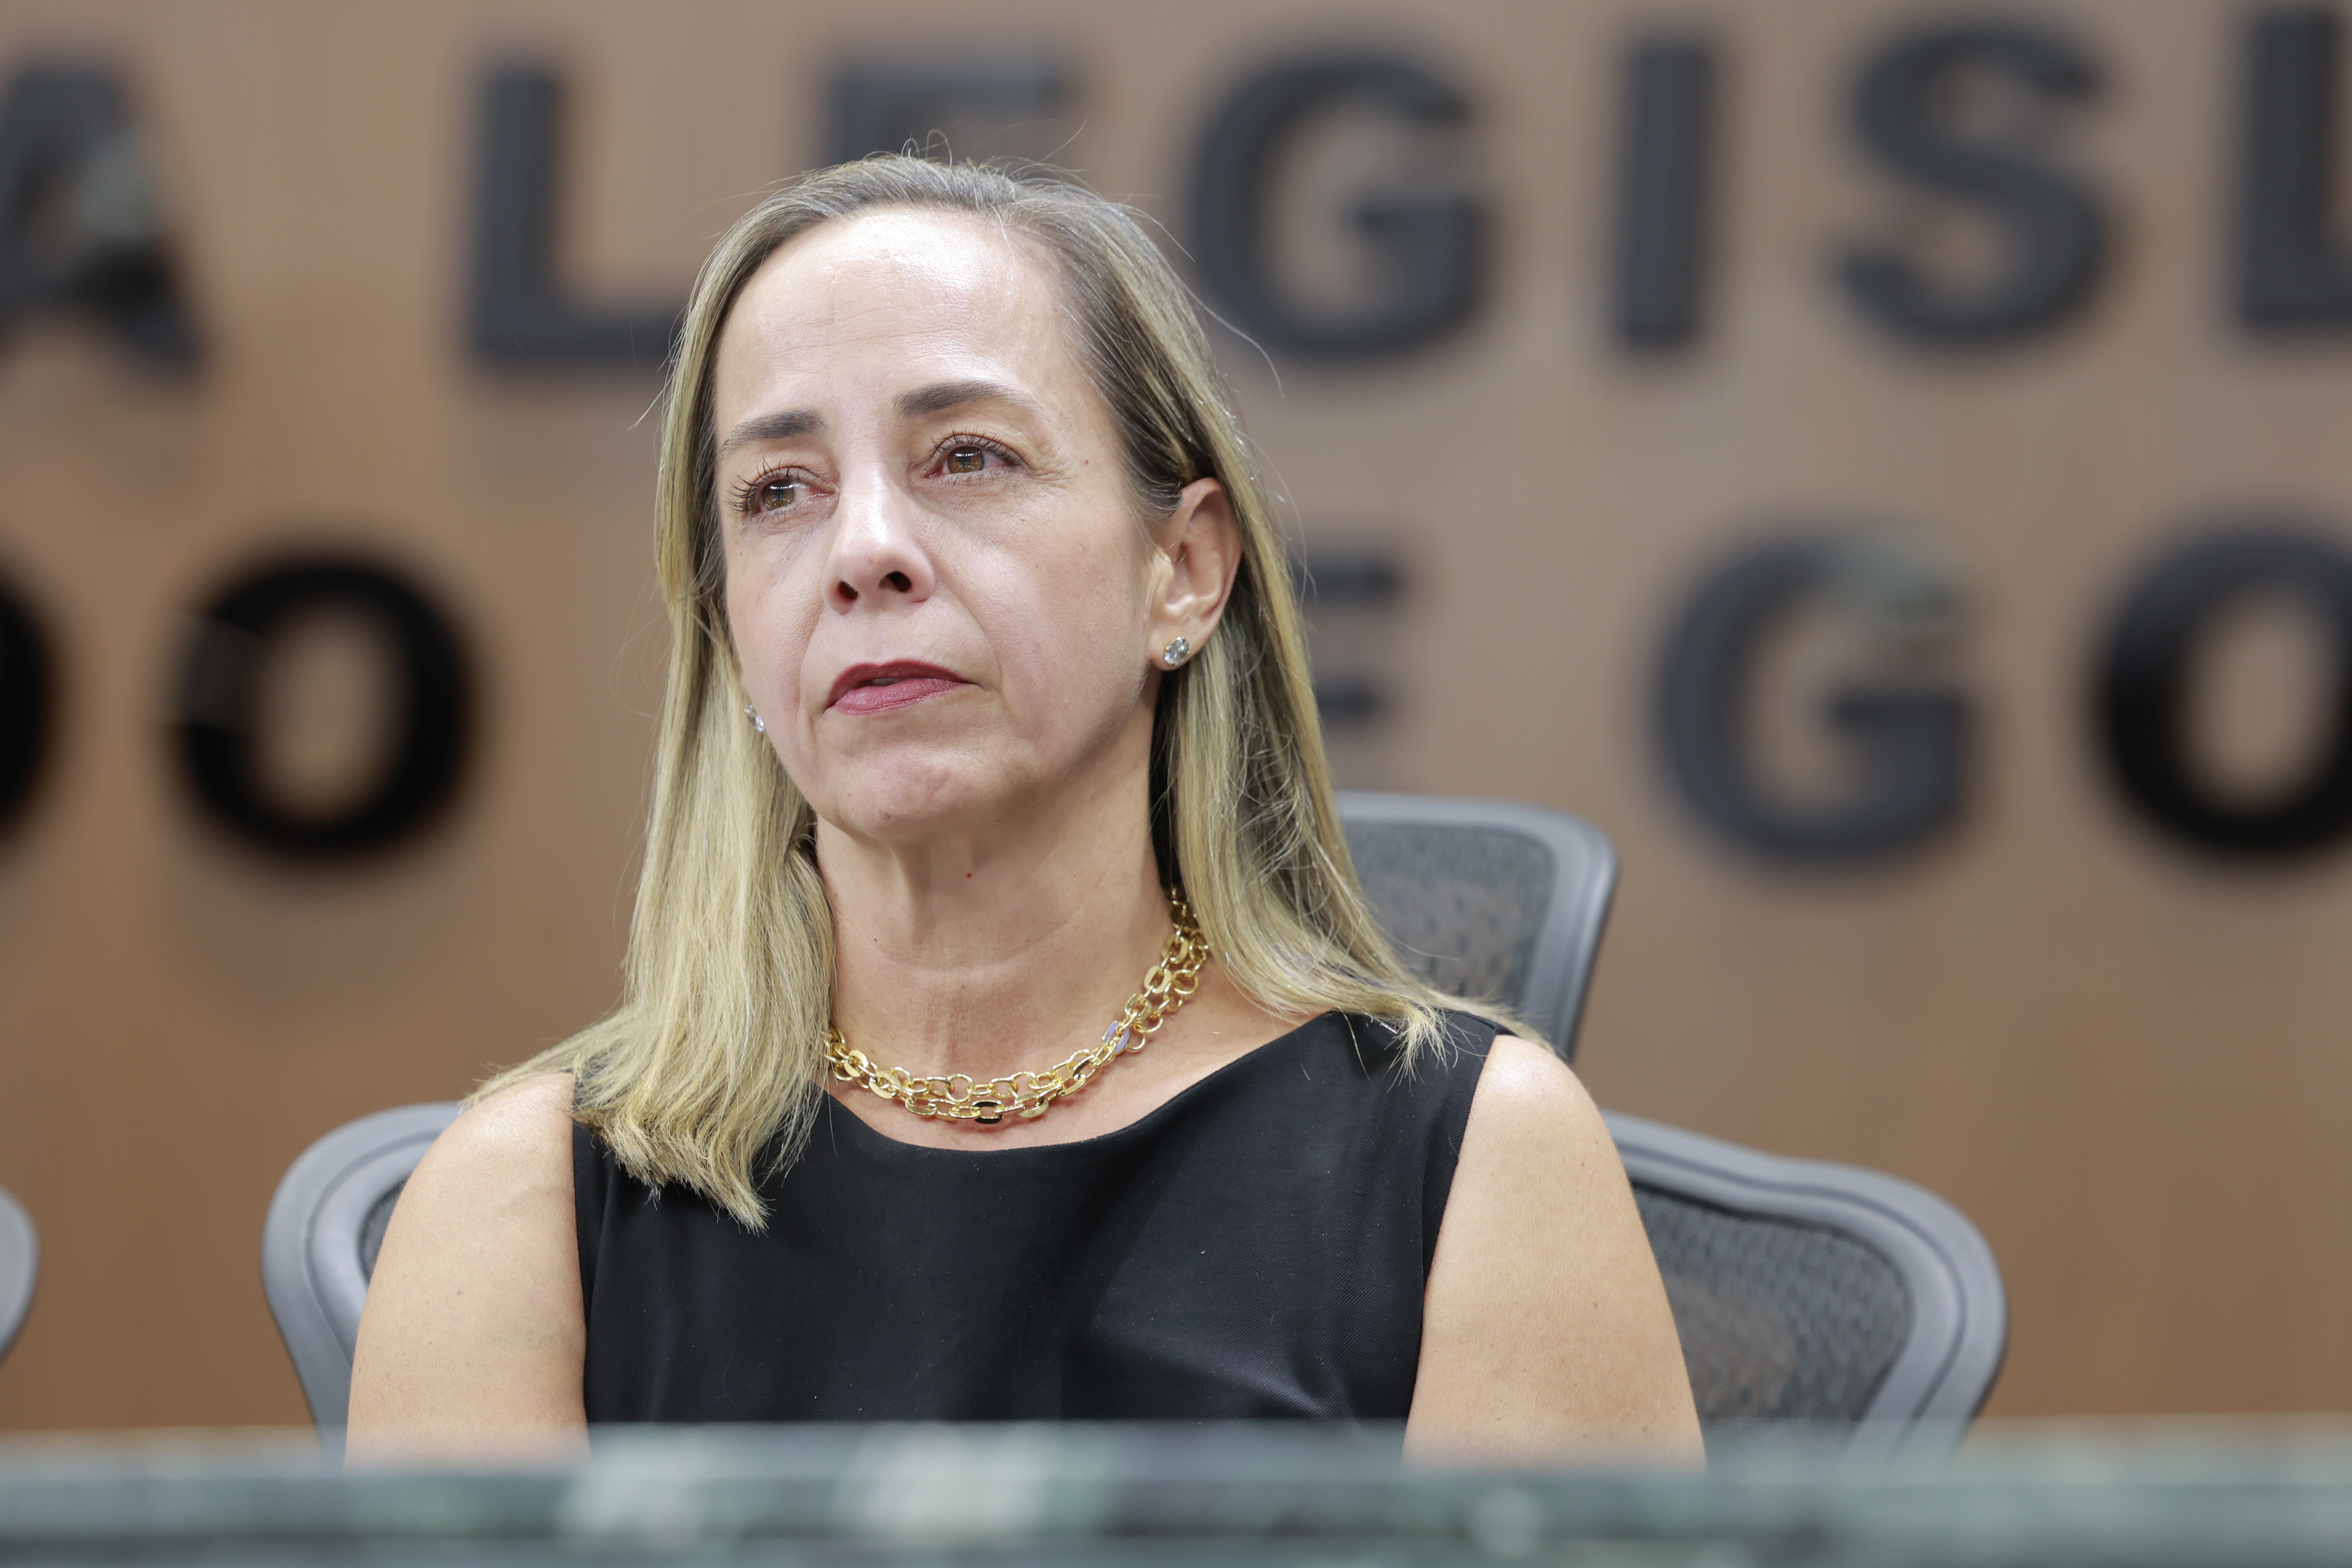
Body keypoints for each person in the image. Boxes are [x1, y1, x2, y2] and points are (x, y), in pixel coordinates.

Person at [347, 156, 1701, 1464]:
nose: (864, 550)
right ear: (731, 634)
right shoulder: (522, 1199)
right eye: (778, 491)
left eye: (968, 457)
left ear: (1183, 569)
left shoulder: (1481, 1161)